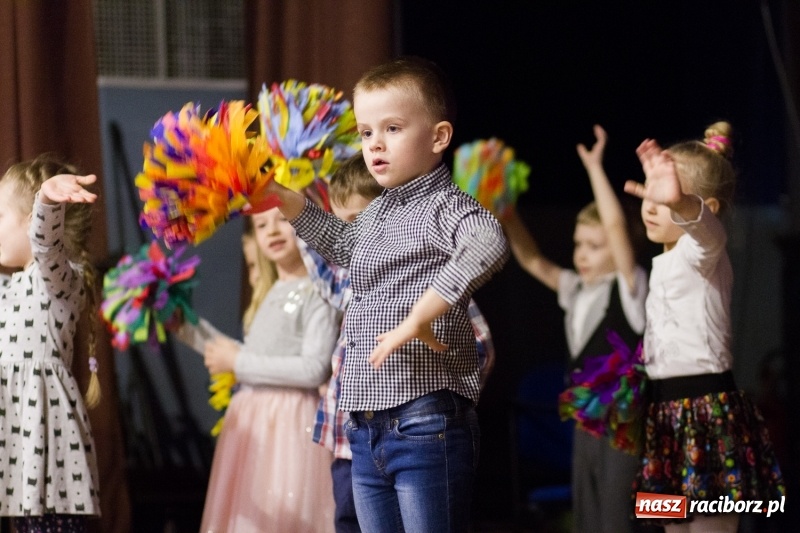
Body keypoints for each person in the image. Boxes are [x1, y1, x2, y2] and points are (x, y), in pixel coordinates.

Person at [262, 56, 509, 532]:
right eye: (366, 132)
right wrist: (283, 197)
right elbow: (341, 244)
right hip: (365, 426)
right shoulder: (378, 212)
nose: (375, 144)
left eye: (392, 129)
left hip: (424, 421)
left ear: (438, 137)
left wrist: (423, 313)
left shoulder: (446, 206)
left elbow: (488, 241)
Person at [304, 154, 497, 533]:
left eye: (356, 224)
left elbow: (480, 346)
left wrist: (429, 338)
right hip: (357, 436)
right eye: (343, 228)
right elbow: (322, 261)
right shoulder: (353, 285)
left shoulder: (430, 279)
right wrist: (291, 192)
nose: (352, 241)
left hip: (419, 420)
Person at [624, 121, 785, 533]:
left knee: (710, 526)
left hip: (706, 413)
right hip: (665, 415)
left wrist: (681, 204)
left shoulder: (703, 252)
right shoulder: (662, 263)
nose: (652, 203)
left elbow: (707, 233)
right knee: (671, 523)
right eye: (652, 189)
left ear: (706, 207)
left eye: (668, 196)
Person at [501, 125, 649, 533]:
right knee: (589, 518)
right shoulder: (577, 289)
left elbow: (618, 229)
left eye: (594, 246)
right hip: (586, 419)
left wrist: (595, 168)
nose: (582, 255)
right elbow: (533, 261)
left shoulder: (631, 287)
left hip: (623, 422)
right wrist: (505, 212)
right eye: (578, 244)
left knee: (620, 518)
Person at [182, 208, 341, 533]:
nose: (272, 231)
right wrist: (183, 326)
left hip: (289, 424)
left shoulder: (317, 293)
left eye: (283, 220)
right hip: (253, 426)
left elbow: (313, 369)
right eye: (261, 225)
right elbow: (250, 356)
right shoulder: (267, 293)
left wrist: (237, 364)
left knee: (285, 514)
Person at [0, 155, 101, 531]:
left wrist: (45, 202)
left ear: (31, 224)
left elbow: (46, 246)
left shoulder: (58, 280)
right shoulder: (9, 286)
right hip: (16, 455)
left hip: (48, 459)